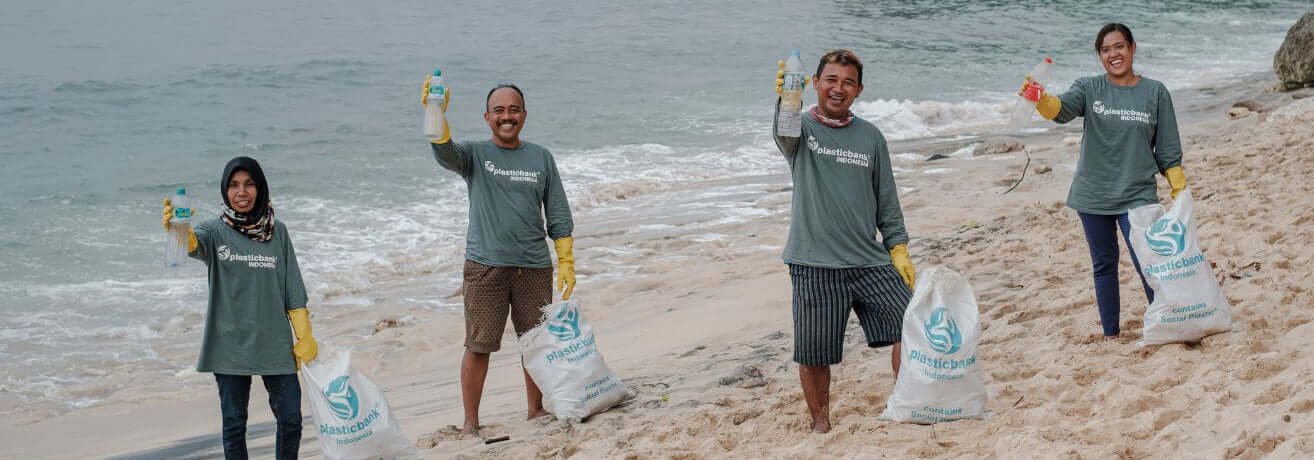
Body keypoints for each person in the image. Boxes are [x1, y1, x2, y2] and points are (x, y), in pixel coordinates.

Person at [421, 75, 577, 435]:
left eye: (513, 110)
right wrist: (435, 112)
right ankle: (471, 422)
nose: (507, 116)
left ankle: (535, 410)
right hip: (485, 268)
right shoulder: (474, 154)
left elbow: (558, 212)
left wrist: (566, 260)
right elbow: (443, 151)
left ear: (524, 114)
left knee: (535, 343)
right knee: (478, 346)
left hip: (533, 267)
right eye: (499, 111)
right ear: (487, 117)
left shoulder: (541, 157)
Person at [772, 49, 917, 433]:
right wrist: (788, 99)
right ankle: (821, 423)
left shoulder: (871, 137)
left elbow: (887, 199)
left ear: (859, 89)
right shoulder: (800, 131)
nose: (839, 89)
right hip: (814, 263)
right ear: (816, 83)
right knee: (814, 353)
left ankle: (905, 402)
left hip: (870, 261)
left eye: (848, 82)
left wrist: (898, 248)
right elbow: (784, 128)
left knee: (913, 325)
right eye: (831, 80)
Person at [1024, 23, 1187, 338]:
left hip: (1138, 194)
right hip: (1093, 195)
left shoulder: (1155, 92)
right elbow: (1062, 110)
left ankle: (1165, 323)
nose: (1114, 54)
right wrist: (1040, 98)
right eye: (1106, 49)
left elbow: (1167, 148)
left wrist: (1178, 187)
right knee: (1104, 265)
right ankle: (1111, 334)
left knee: (1149, 262)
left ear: (1132, 48)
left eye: (1120, 46)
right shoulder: (1089, 88)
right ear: (1099, 56)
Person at [161, 156, 318, 460]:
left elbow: (293, 289)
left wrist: (305, 335)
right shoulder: (215, 231)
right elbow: (193, 244)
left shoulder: (278, 233)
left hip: (274, 343)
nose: (241, 191)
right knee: (234, 425)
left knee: (291, 420)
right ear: (225, 190)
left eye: (248, 184)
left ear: (260, 188)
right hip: (229, 344)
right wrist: (178, 230)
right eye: (233, 185)